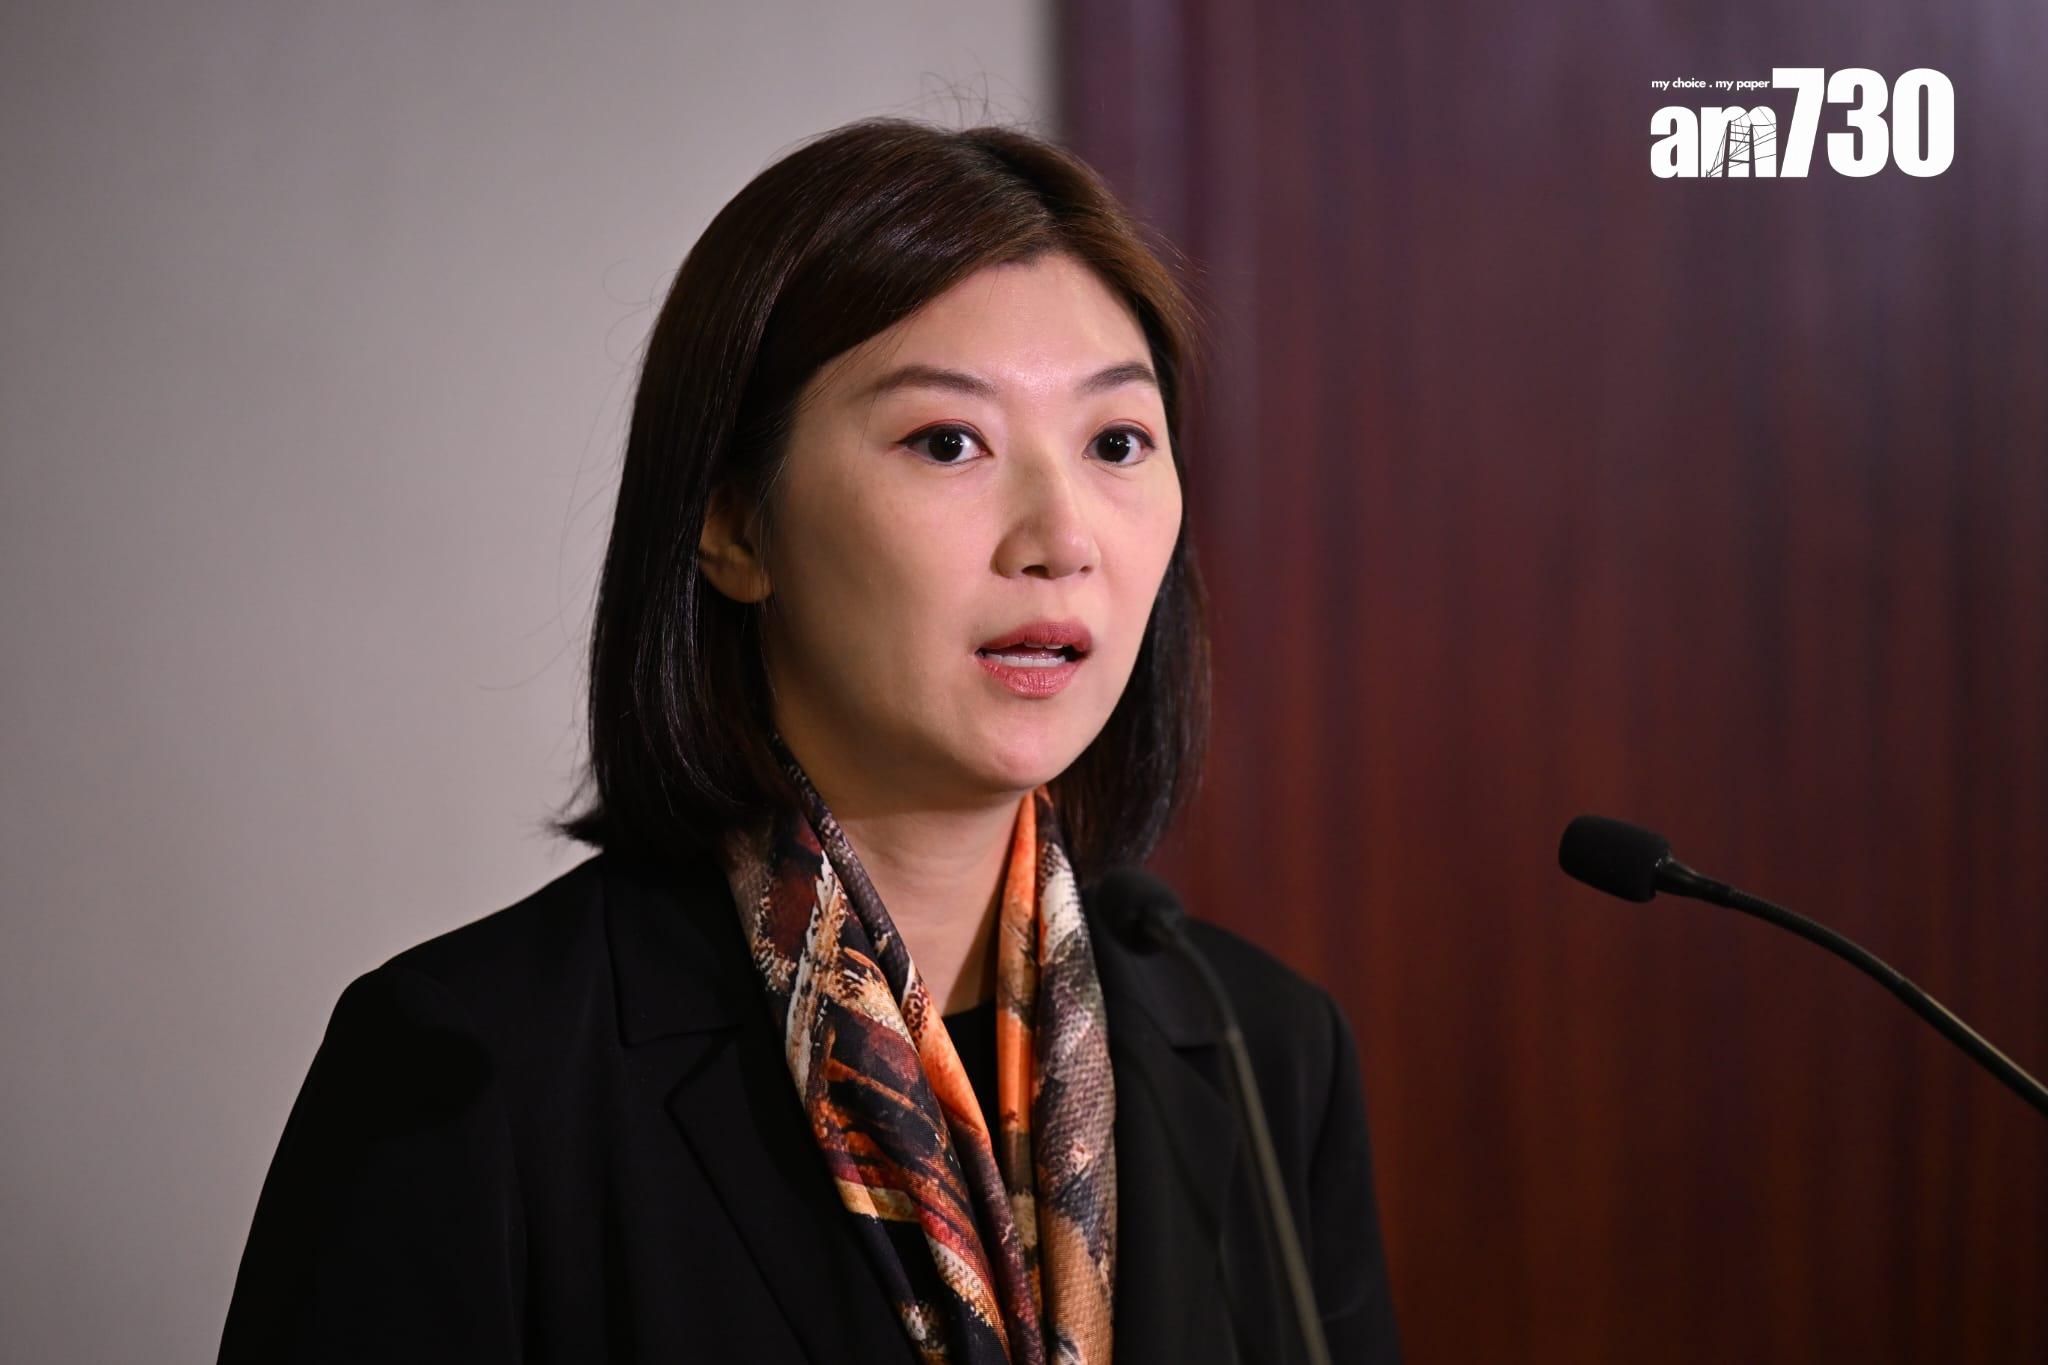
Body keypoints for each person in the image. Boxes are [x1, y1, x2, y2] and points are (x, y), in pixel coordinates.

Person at [216, 116, 1401, 1365]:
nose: (1061, 538)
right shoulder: (474, 1072)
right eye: (947, 442)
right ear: (735, 524)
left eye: (1116, 443)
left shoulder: (1261, 1054)